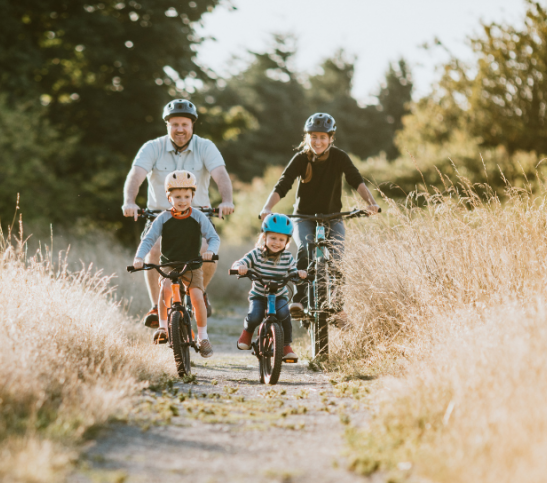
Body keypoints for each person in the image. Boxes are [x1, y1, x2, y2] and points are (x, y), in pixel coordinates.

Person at [258, 113, 379, 323]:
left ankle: (338, 307)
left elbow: (355, 179)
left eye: (323, 137)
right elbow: (283, 184)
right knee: (306, 247)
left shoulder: (339, 157)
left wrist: (371, 203)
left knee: (338, 255)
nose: (318, 141)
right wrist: (268, 207)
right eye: (313, 136)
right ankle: (300, 299)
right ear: (307, 137)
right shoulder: (301, 158)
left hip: (332, 217)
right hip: (303, 217)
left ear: (331, 138)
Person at [123, 99, 234, 328]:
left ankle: (199, 292)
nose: (180, 129)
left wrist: (227, 200)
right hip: (159, 215)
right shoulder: (152, 147)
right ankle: (157, 306)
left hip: (197, 214)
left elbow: (220, 174)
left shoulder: (205, 147)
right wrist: (129, 202)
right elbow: (136, 175)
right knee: (153, 251)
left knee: (207, 251)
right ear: (167, 125)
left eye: (184, 124)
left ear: (192, 125)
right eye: (175, 124)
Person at [133, 170, 220, 358]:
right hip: (169, 264)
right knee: (165, 288)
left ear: (192, 196)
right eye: (177, 196)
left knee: (197, 295)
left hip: (192, 264)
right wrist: (139, 258)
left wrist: (211, 251)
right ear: (168, 196)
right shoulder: (163, 218)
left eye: (187, 196)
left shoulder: (198, 216)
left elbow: (213, 237)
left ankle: (203, 337)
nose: (182, 200)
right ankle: (163, 328)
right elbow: (148, 240)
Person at [232, 214, 306, 361]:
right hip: (259, 296)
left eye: (281, 239)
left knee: (284, 315)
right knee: (255, 316)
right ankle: (247, 333)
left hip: (279, 296)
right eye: (273, 238)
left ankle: (286, 346)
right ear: (264, 237)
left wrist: (299, 274)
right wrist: (240, 267)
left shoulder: (287, 257)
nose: (276, 242)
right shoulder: (256, 254)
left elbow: (293, 272)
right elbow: (239, 262)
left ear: (287, 241)